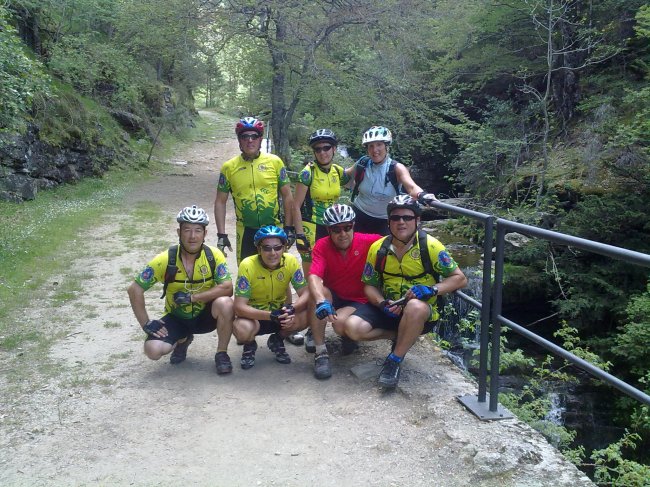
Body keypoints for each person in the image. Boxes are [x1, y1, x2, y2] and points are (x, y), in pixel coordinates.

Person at [344, 195, 467, 388]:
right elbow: (369, 285)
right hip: (389, 307)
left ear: (417, 220)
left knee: (415, 307)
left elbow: (460, 278)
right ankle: (400, 336)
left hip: (421, 312)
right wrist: (381, 303)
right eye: (395, 217)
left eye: (407, 217)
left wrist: (432, 289)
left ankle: (394, 360)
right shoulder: (378, 249)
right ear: (388, 221)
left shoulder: (431, 246)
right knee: (352, 328)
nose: (401, 222)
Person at [214, 116, 303, 345]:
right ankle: (250, 324)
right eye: (245, 136)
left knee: (282, 273)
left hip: (274, 229)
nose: (250, 140)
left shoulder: (275, 162)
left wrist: (289, 227)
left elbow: (288, 196)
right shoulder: (229, 167)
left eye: (254, 136)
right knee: (249, 275)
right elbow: (220, 201)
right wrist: (221, 234)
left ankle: (285, 324)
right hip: (246, 231)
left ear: (261, 139)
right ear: (239, 140)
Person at [127, 205, 235, 374]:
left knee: (226, 303)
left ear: (205, 234)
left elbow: (227, 288)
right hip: (177, 317)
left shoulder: (213, 256)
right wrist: (146, 323)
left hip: (206, 316)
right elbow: (134, 289)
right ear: (179, 232)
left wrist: (193, 298)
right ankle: (183, 340)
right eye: (187, 230)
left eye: (198, 230)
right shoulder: (165, 259)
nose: (192, 236)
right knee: (152, 350)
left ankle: (221, 353)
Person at [306, 204, 382, 379]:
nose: (343, 234)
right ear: (328, 230)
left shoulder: (369, 241)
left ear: (353, 225)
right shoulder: (322, 245)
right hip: (335, 295)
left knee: (340, 325)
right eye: (336, 229)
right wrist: (320, 300)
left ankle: (349, 336)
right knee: (316, 293)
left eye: (347, 227)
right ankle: (320, 352)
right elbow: (314, 276)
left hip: (359, 299)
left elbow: (396, 241)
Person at [233, 225, 310, 369]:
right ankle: (249, 344)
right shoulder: (247, 265)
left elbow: (306, 293)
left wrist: (292, 308)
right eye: (267, 248)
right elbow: (239, 307)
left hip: (281, 315)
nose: (273, 253)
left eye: (278, 248)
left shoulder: (290, 261)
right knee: (242, 330)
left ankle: (277, 339)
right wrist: (270, 315)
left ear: (284, 248)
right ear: (259, 249)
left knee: (311, 311)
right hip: (254, 317)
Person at [344, 125, 437, 235]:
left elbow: (411, 187)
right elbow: (344, 176)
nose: (374, 150)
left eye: (379, 145)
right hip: (358, 215)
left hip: (384, 220)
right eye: (371, 146)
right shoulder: (362, 163)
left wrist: (423, 195)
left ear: (386, 146)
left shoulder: (396, 168)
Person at [292, 129, 350, 274]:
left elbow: (355, 182)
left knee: (331, 267)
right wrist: (299, 234)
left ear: (334, 149)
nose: (322, 152)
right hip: (312, 226)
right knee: (311, 270)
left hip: (333, 225)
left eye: (326, 148)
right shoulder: (307, 173)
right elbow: (295, 206)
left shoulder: (338, 171)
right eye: (318, 149)